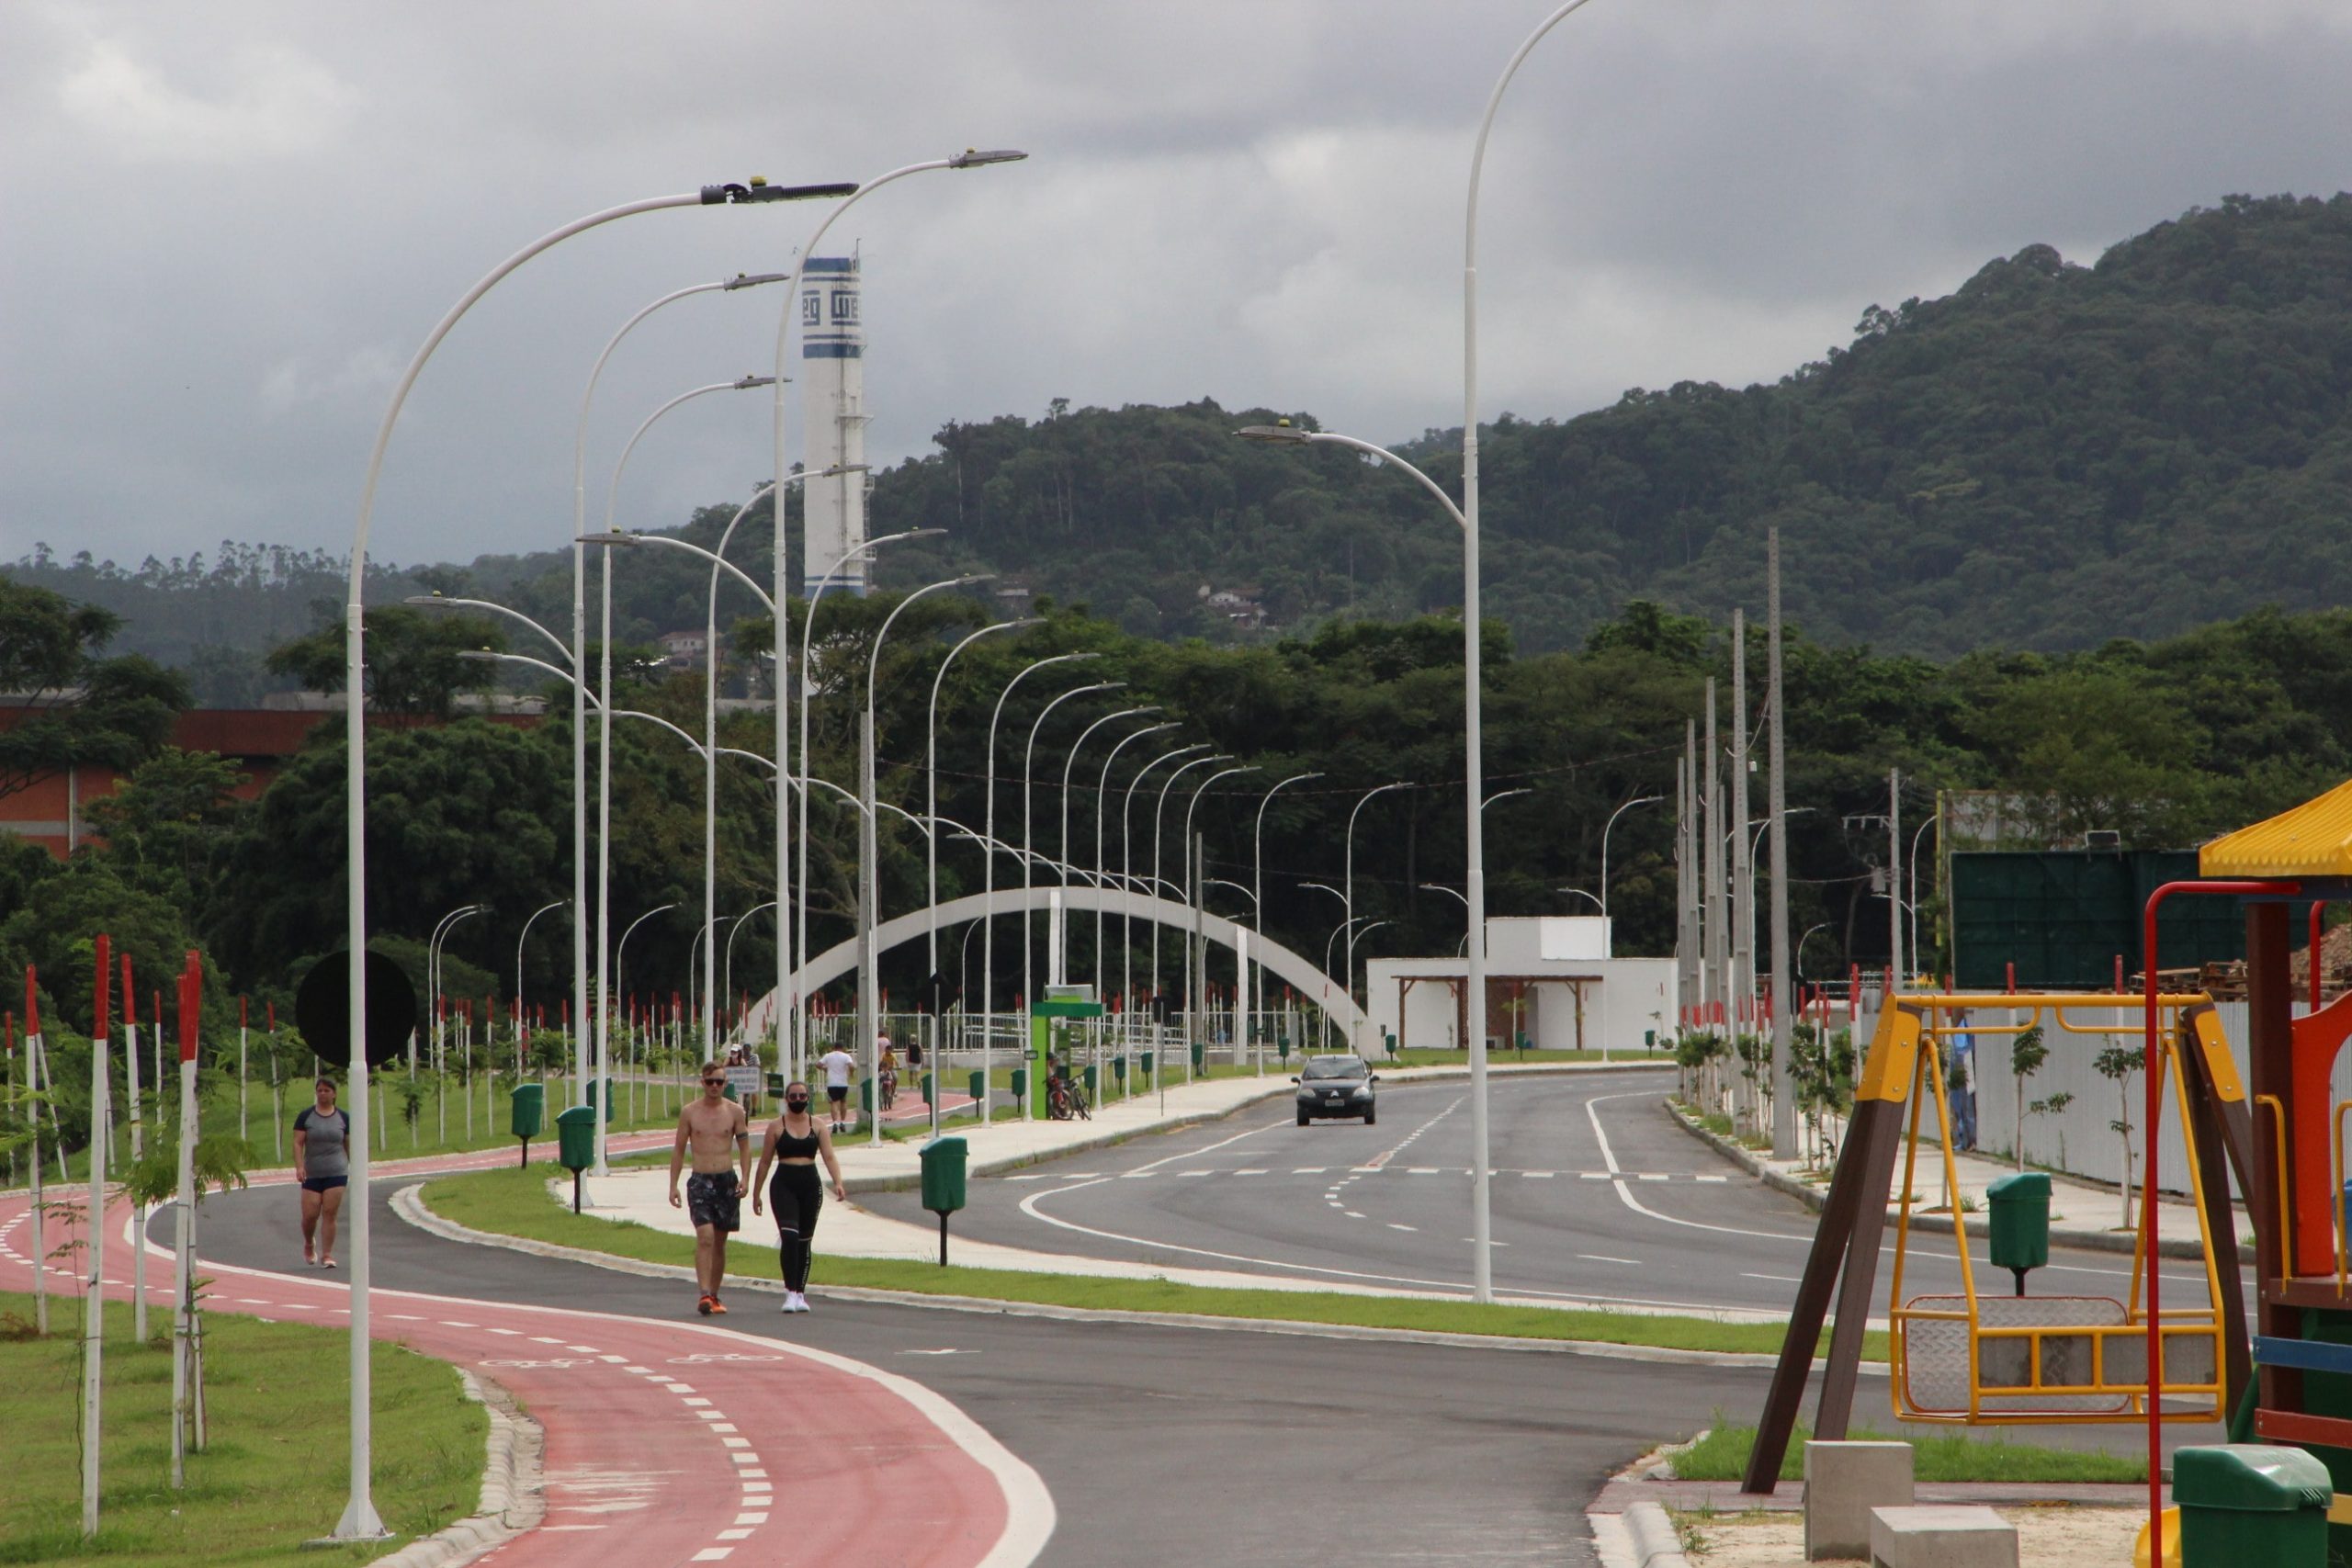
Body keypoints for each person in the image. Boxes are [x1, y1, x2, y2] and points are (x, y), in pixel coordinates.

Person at [752, 1079, 847, 1314]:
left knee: (804, 1241)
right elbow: (764, 1161)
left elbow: (829, 1156)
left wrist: (838, 1183)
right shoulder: (776, 1126)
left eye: (802, 1096)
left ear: (808, 1098)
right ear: (786, 1099)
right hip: (783, 1183)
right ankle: (789, 1292)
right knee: (789, 1236)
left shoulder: (818, 1125)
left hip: (810, 1185)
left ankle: (801, 1294)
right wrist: (756, 1193)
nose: (797, 1100)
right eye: (792, 1097)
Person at [669, 1060, 752, 1315]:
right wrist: (673, 1185)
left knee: (720, 1241)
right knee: (704, 1236)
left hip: (726, 1180)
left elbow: (745, 1148)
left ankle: (715, 1294)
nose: (714, 1086)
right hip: (700, 1181)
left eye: (719, 1081)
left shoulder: (736, 1112)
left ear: (725, 1083)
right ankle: (703, 1293)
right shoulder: (690, 1112)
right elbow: (679, 1149)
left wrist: (746, 1179)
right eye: (709, 1082)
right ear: (702, 1083)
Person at [292, 1076, 350, 1268]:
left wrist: (355, 1166)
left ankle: (327, 1254)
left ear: (334, 1094)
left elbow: (348, 1143)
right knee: (310, 1215)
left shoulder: (343, 1117)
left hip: (337, 1171)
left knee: (330, 1213)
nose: (323, 1094)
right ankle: (309, 1243)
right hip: (312, 1172)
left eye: (327, 1090)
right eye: (320, 1090)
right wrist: (299, 1166)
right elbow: (298, 1143)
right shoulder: (306, 1116)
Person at [820, 1040, 858, 1134]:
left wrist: (825, 1069)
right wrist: (851, 1073)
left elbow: (818, 1064)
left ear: (834, 1047)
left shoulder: (828, 1056)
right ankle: (842, 1122)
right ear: (843, 1048)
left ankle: (835, 1123)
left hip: (832, 1083)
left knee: (833, 1103)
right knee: (843, 1102)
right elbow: (852, 1066)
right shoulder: (846, 1056)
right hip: (842, 1083)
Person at [878, 1039, 900, 1113]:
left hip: (891, 1068)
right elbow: (881, 1062)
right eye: (887, 1050)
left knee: (895, 1077)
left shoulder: (893, 1055)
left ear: (891, 1050)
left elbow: (896, 1062)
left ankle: (894, 1089)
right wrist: (879, 1067)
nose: (888, 1052)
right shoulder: (884, 1055)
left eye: (889, 1051)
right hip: (885, 1068)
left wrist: (898, 1066)